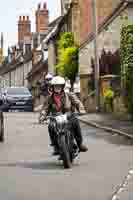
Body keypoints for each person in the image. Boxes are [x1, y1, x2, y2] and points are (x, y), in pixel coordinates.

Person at [42, 76, 88, 155]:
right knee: (50, 126)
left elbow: (78, 103)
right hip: (56, 118)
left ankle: (80, 144)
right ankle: (56, 146)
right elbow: (45, 108)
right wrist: (43, 115)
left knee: (76, 121)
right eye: (55, 86)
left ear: (63, 86)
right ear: (52, 87)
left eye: (59, 86)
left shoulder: (69, 95)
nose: (57, 88)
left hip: (68, 116)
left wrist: (81, 110)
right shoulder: (49, 98)